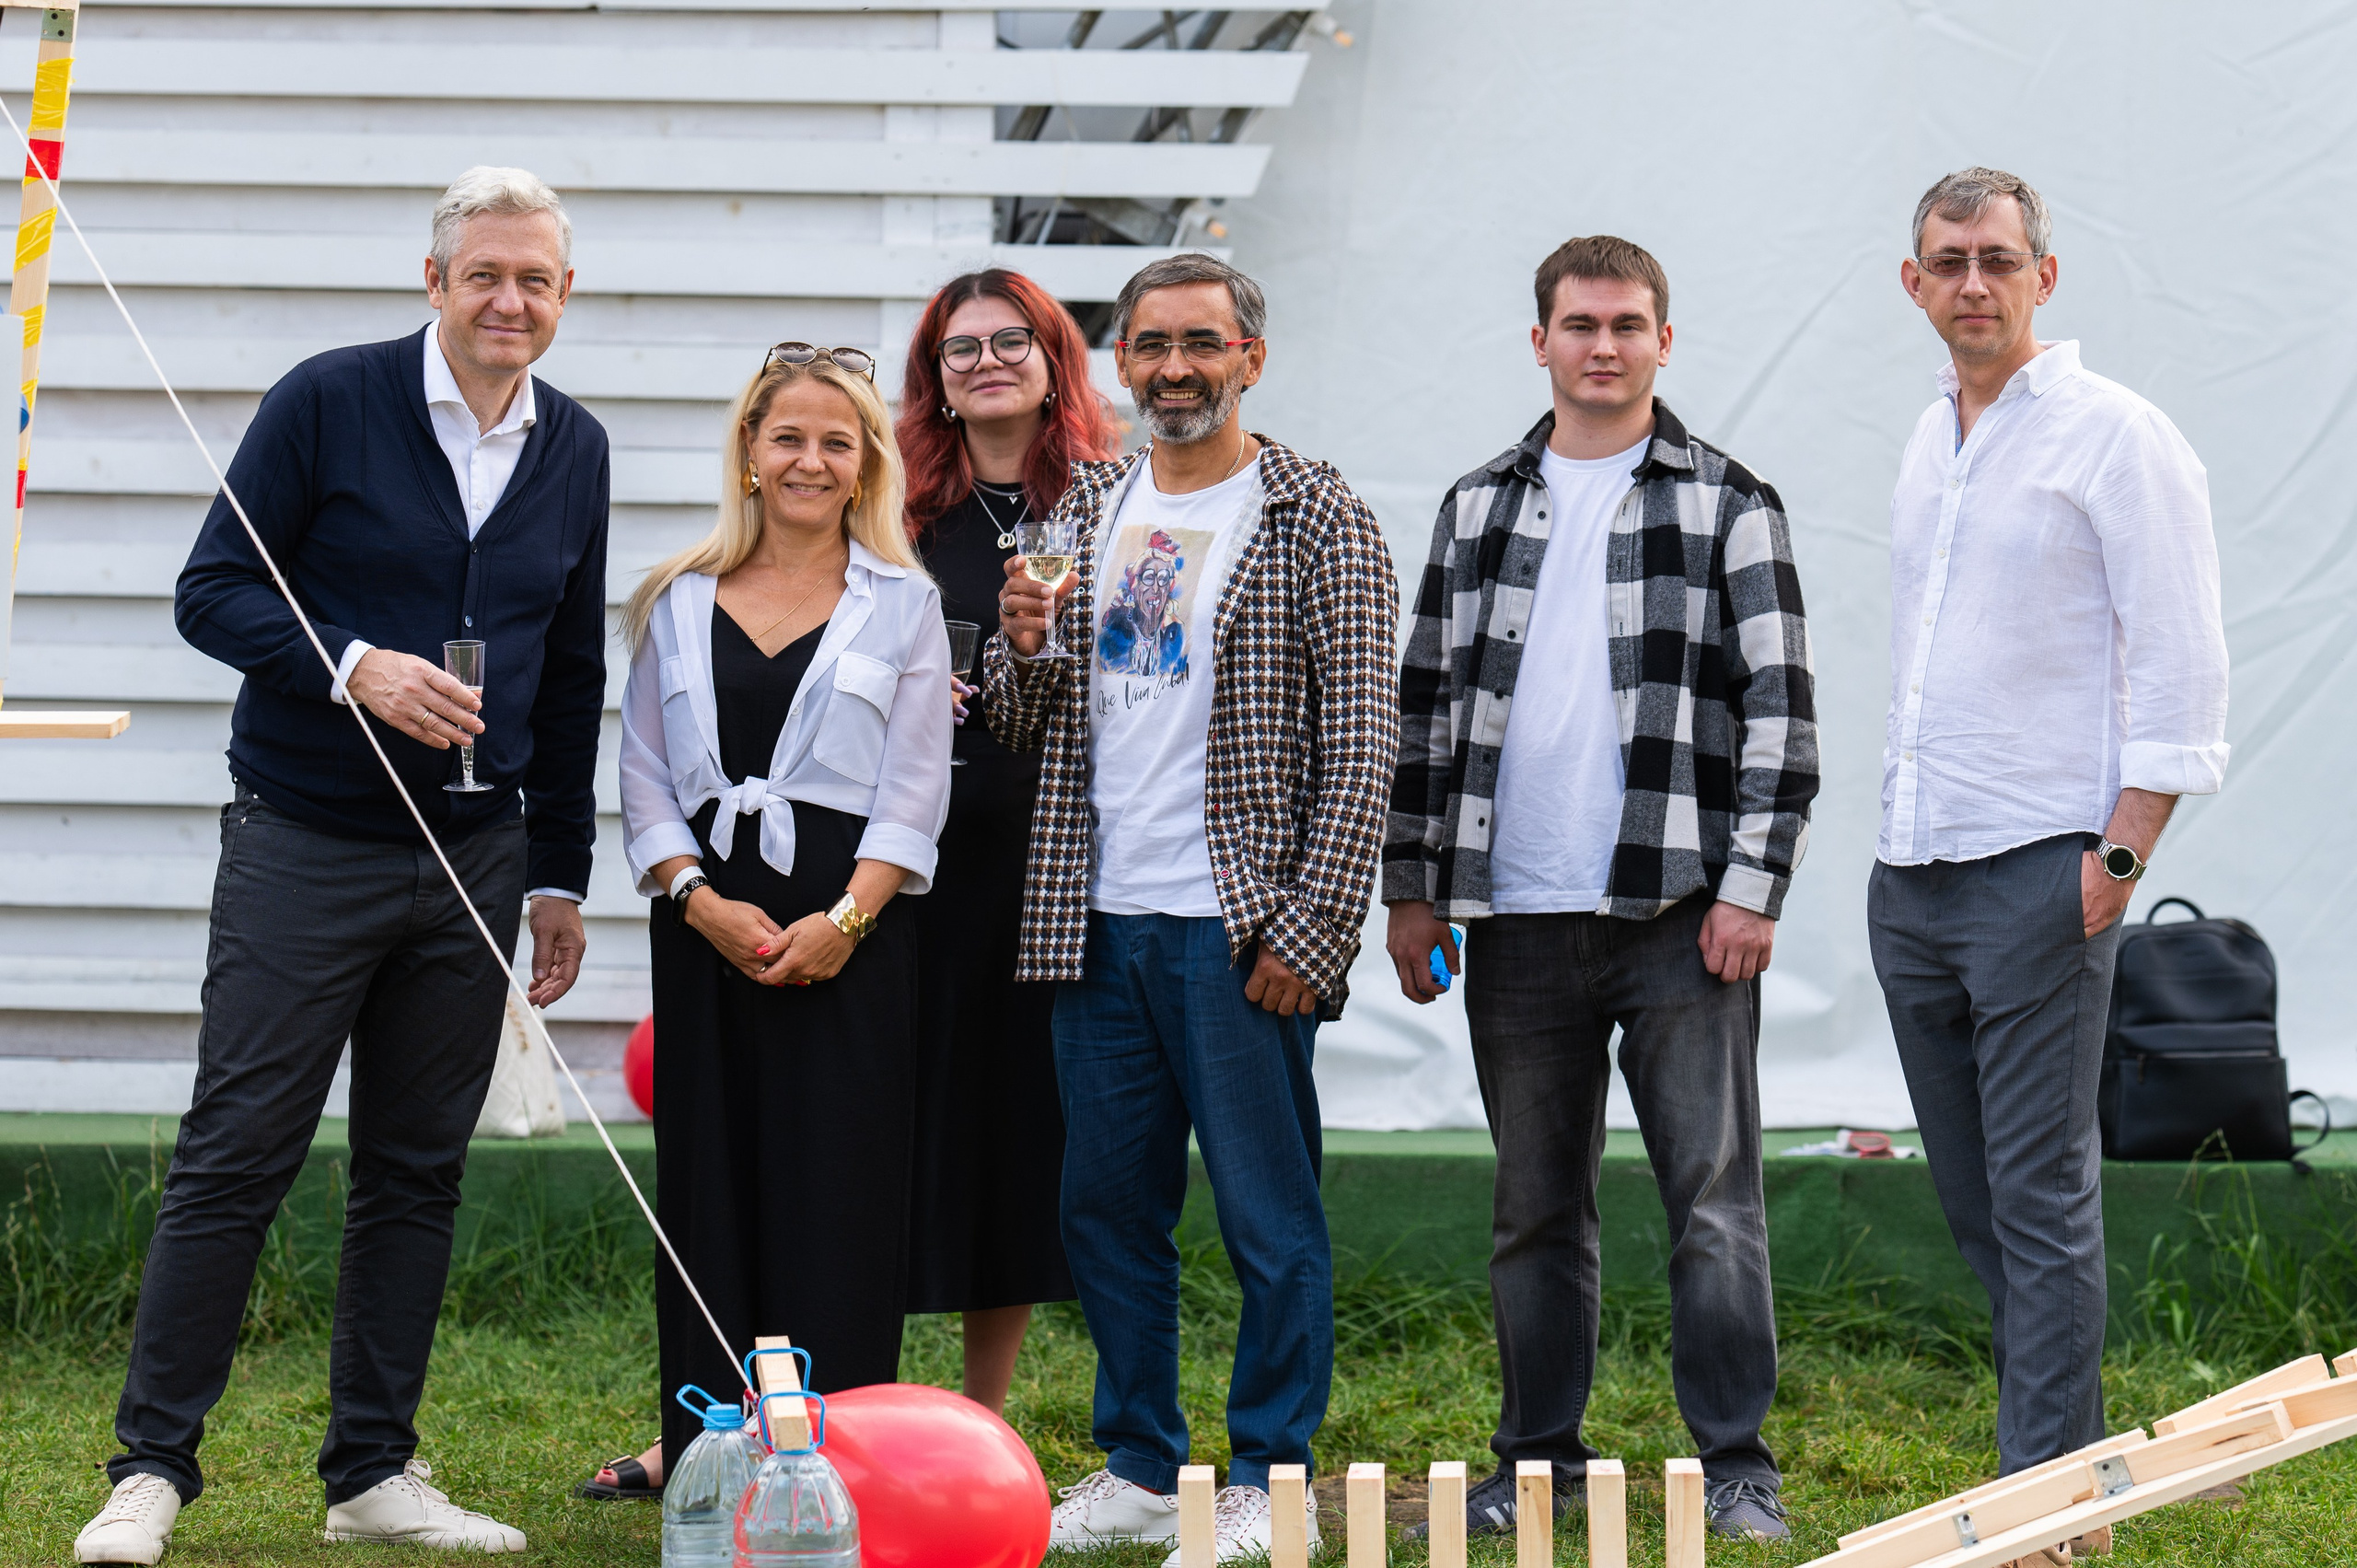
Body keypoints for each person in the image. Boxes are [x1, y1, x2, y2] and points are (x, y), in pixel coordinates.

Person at [78, 167, 607, 1565]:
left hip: (478, 858)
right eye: (483, 273)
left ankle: (373, 1467)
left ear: (566, 298)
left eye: (536, 279)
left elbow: (570, 676)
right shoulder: (328, 397)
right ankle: (151, 1471)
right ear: (434, 283)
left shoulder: (577, 446)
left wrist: (559, 871)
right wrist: (354, 665)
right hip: (306, 842)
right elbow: (212, 590)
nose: (510, 300)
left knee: (415, 1168)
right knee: (235, 1152)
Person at [1383, 236, 1817, 1545]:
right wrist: (1415, 889)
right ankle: (1537, 1457)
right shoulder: (1475, 507)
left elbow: (1784, 715)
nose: (1604, 345)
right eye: (1580, 323)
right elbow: (1424, 712)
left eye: (1629, 323)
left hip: (1681, 913)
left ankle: (1735, 1460)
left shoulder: (1732, 501)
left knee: (1713, 1198)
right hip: (1512, 914)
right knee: (1533, 1205)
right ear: (1541, 343)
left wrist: (1753, 886)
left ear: (1664, 342)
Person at [984, 253, 1399, 1563]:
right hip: (1096, 918)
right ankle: (1143, 1463)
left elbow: (1365, 736)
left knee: (1270, 1217)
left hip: (1240, 926)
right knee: (1106, 1207)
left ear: (1249, 358)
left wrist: (1315, 925)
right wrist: (1025, 644)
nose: (1174, 366)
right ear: (1123, 361)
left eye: (1200, 343)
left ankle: (1272, 1482)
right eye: (1151, 344)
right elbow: (1019, 721)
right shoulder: (1086, 505)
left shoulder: (1315, 511)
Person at [1872, 168, 2228, 1500]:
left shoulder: (2117, 435)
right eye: (1950, 260)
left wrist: (2120, 859)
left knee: (2040, 1197)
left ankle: (2048, 1493)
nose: (1975, 282)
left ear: (2044, 277)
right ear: (1914, 284)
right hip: (1913, 870)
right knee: (1975, 1199)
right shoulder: (1931, 438)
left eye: (1999, 259)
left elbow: (2182, 661)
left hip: (2042, 869)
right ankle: (2063, 1462)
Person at [614, 341, 952, 1483]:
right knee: (713, 1189)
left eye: (835, 442)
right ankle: (711, 1456)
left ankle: (835, 1457)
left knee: (838, 1188)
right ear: (750, 454)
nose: (809, 459)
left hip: (850, 930)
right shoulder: (674, 599)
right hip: (707, 923)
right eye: (787, 437)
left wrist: (842, 925)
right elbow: (644, 778)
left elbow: (914, 792)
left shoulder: (905, 602)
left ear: (864, 467)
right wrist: (696, 900)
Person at [896, 270, 1117, 1409]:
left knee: (1014, 1129)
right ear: (933, 375)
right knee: (888, 1122)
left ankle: (981, 1409)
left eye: (1008, 341)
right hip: (904, 855)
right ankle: (842, 1393)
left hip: (1046, 858)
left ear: (1052, 357)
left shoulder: (1110, 499)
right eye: (958, 348)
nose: (984, 362)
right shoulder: (891, 506)